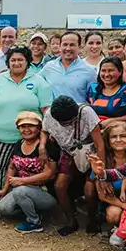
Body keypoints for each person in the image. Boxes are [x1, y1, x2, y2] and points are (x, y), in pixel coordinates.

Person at [0, 46, 54, 199]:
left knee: (27, 172)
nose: (16, 63)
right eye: (13, 60)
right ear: (8, 63)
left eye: (20, 59)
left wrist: (43, 139)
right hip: (1, 137)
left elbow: (46, 110)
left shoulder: (38, 81)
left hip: (29, 140)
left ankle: (22, 200)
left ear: (27, 62)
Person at [44, 95, 106, 236]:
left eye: (69, 122)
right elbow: (44, 131)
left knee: (89, 191)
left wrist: (100, 172)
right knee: (59, 186)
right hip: (68, 152)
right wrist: (42, 147)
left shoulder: (86, 113)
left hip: (90, 153)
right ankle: (71, 221)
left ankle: (92, 220)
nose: (65, 125)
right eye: (61, 122)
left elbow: (100, 145)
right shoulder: (49, 114)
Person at [0, 111, 60, 233]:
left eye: (31, 126)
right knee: (3, 208)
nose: (26, 129)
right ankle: (32, 209)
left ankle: (34, 222)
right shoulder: (18, 144)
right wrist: (5, 189)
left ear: (39, 127)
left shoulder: (46, 147)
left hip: (44, 191)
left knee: (20, 191)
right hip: (23, 189)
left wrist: (22, 181)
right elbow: (12, 167)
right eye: (23, 126)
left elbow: (49, 173)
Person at [84, 120, 126, 236]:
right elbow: (103, 196)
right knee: (114, 213)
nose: (118, 140)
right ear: (108, 141)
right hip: (114, 203)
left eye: (123, 136)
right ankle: (118, 230)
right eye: (113, 137)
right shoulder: (102, 161)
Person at [42, 31, 98, 104]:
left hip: (78, 114)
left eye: (72, 45)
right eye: (65, 44)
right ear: (60, 47)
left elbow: (94, 98)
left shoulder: (90, 71)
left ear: (79, 47)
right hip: (52, 114)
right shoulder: (49, 67)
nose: (68, 48)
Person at [89, 57, 126, 126]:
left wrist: (112, 121)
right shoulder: (93, 88)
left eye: (110, 70)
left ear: (120, 71)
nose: (106, 74)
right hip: (95, 129)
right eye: (103, 71)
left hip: (119, 130)